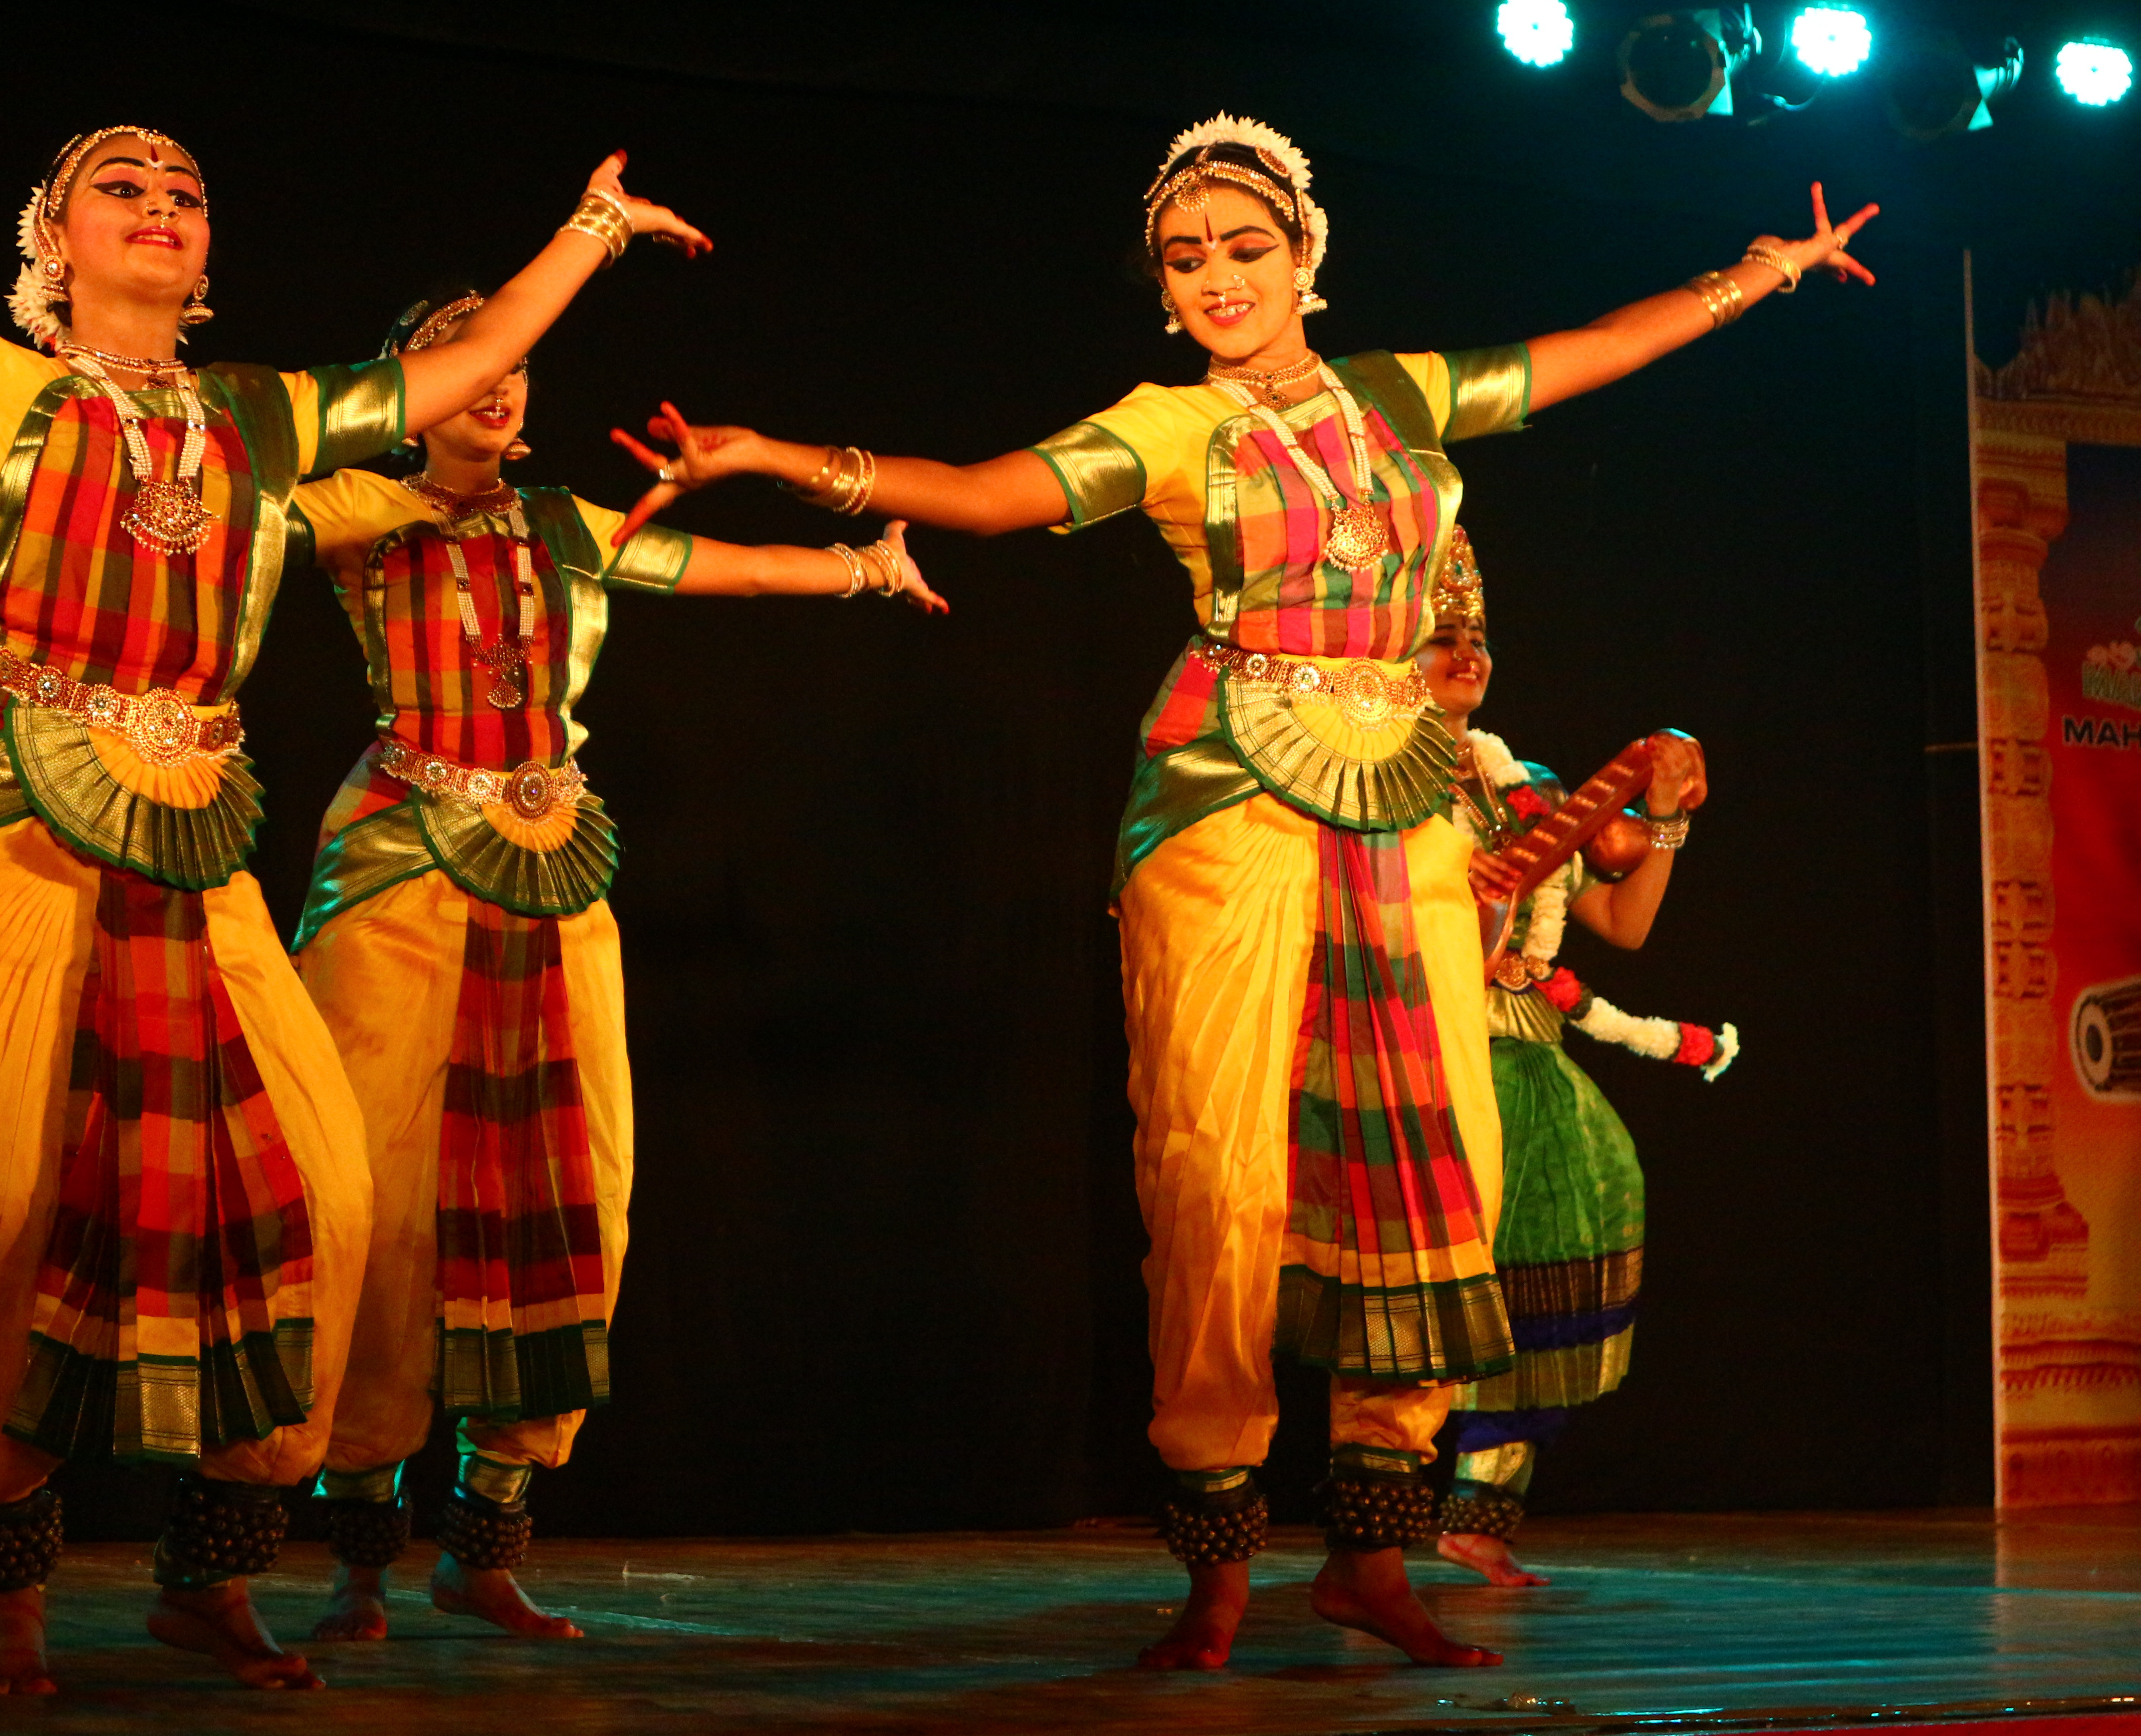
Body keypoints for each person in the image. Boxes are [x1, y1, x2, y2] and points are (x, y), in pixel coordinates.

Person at [606, 112, 1871, 1670]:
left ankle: (1371, 1553)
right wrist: (770, 458)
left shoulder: (1401, 398)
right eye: (1186, 258)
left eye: (1245, 248)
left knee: (1433, 1159)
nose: (1218, 277)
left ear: (1304, 259)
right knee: (1218, 1167)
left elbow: (1596, 351)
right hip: (1225, 795)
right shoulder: (1169, 427)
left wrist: (1763, 271)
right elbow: (988, 495)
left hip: (1401, 797)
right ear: (1163, 289)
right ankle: (1215, 1557)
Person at [0, 127, 706, 1694]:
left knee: (322, 1197)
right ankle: (11, 1596)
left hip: (191, 827)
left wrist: (592, 228)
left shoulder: (267, 417)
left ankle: (209, 1578)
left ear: (208, 252)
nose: (161, 204)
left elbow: (469, 365)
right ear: (56, 242)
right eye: (124, 186)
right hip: (2, 818)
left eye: (186, 193)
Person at [0, 291, 945, 1646]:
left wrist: (865, 569)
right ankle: (347, 1568)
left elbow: (724, 572)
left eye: (514, 368)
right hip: (400, 863)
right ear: (421, 386)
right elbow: (164, 521)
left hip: (553, 867)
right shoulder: (353, 512)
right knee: (377, 1211)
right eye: (464, 360)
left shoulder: (568, 529)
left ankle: (484, 1550)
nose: (497, 386)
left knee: (571, 1193)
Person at [1413, 530, 1734, 1590]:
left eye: (1478, 641)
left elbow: (1624, 925)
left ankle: (1479, 1512)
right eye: (1442, 638)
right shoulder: (1372, 783)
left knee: (1567, 1233)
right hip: (1425, 1044)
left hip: (1528, 1050)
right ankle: (1373, 1513)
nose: (1467, 655)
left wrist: (1666, 823)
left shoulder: (1533, 787)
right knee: (1421, 1283)